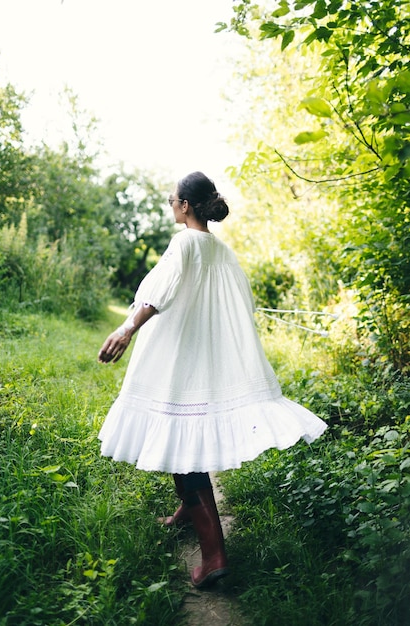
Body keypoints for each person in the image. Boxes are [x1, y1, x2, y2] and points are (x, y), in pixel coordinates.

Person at [97, 171, 327, 589]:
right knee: (182, 436)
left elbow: (159, 292)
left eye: (172, 199)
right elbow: (238, 304)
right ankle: (188, 510)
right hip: (202, 353)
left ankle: (214, 555)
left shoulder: (185, 242)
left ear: (186, 205)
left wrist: (126, 328)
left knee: (184, 443)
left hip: (181, 357)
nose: (170, 204)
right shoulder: (220, 250)